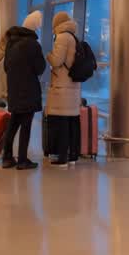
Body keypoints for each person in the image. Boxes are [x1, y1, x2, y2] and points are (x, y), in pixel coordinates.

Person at [0, 11, 45, 169]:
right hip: (28, 90)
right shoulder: (33, 44)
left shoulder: (11, 42)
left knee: (13, 124)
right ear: (34, 26)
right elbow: (40, 68)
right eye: (39, 24)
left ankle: (6, 157)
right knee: (26, 125)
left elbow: (6, 67)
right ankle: (22, 160)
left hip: (14, 89)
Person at [45, 10, 83, 167]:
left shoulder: (62, 37)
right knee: (72, 121)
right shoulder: (74, 37)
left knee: (61, 122)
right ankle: (73, 155)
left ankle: (62, 157)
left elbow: (56, 61)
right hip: (73, 86)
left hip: (63, 86)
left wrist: (48, 55)